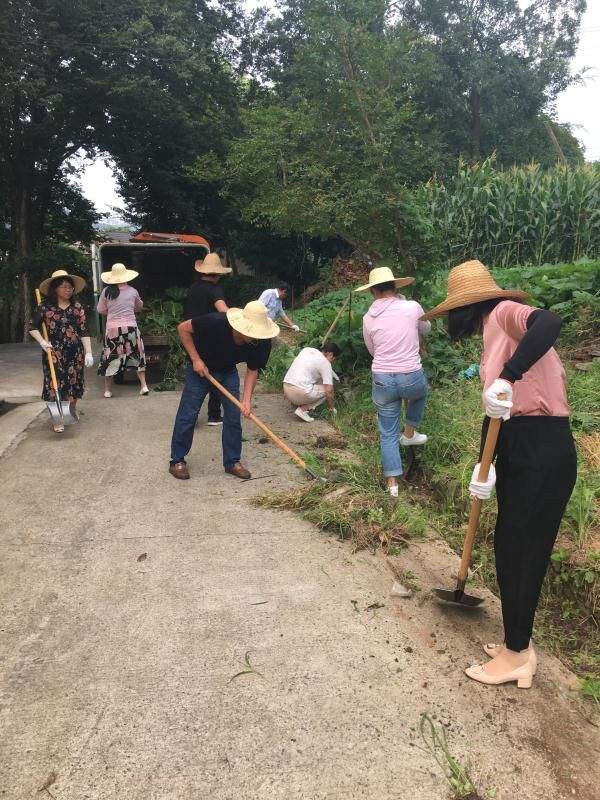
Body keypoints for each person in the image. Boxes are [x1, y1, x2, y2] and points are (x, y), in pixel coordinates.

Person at [422, 260, 577, 689]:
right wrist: (484, 464)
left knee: (522, 550)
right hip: (517, 443)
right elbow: (497, 412)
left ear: (463, 307)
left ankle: (515, 658)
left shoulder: (505, 312)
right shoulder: (492, 331)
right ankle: (518, 642)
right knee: (509, 545)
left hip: (541, 448)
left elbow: (549, 321)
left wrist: (509, 374)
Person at [169, 300, 279, 481]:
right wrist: (196, 360)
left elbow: (252, 371)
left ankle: (232, 462)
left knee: (233, 416)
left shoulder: (261, 343)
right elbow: (182, 329)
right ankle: (177, 460)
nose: (255, 338)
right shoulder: (215, 322)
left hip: (228, 372)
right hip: (201, 370)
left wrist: (246, 401)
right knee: (188, 414)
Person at [355, 266, 431, 498]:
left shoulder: (368, 317)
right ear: (395, 286)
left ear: (372, 292)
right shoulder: (411, 307)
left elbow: (372, 349)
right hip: (411, 376)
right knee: (421, 391)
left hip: (382, 379)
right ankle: (409, 433)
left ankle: (392, 487)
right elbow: (425, 329)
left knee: (387, 433)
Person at [29, 269, 94, 432]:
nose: (68, 290)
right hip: (53, 352)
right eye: (64, 287)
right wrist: (43, 342)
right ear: (55, 288)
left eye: (70, 287)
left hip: (75, 352)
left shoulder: (77, 307)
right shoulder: (45, 306)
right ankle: (56, 419)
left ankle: (71, 410)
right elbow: (32, 327)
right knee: (54, 384)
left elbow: (84, 331)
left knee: (74, 383)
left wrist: (89, 352)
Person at [184, 252, 231, 425]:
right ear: (218, 274)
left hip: (192, 338)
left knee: (195, 380)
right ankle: (214, 415)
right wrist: (237, 316)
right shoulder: (215, 289)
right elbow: (223, 310)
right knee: (216, 375)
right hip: (211, 340)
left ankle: (190, 417)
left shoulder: (193, 288)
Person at [97, 263, 148, 398]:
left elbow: (100, 310)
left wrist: (112, 311)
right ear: (126, 276)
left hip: (113, 329)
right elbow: (138, 307)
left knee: (111, 357)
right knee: (137, 354)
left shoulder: (106, 292)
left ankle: (108, 390)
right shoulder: (132, 291)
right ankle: (143, 386)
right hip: (130, 327)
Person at [283, 341, 340, 422]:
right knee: (328, 390)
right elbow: (329, 391)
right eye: (333, 359)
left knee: (314, 380)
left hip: (286, 387)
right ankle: (302, 410)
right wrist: (332, 408)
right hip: (298, 392)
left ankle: (296, 403)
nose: (332, 362)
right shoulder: (325, 363)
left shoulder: (307, 350)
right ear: (330, 354)